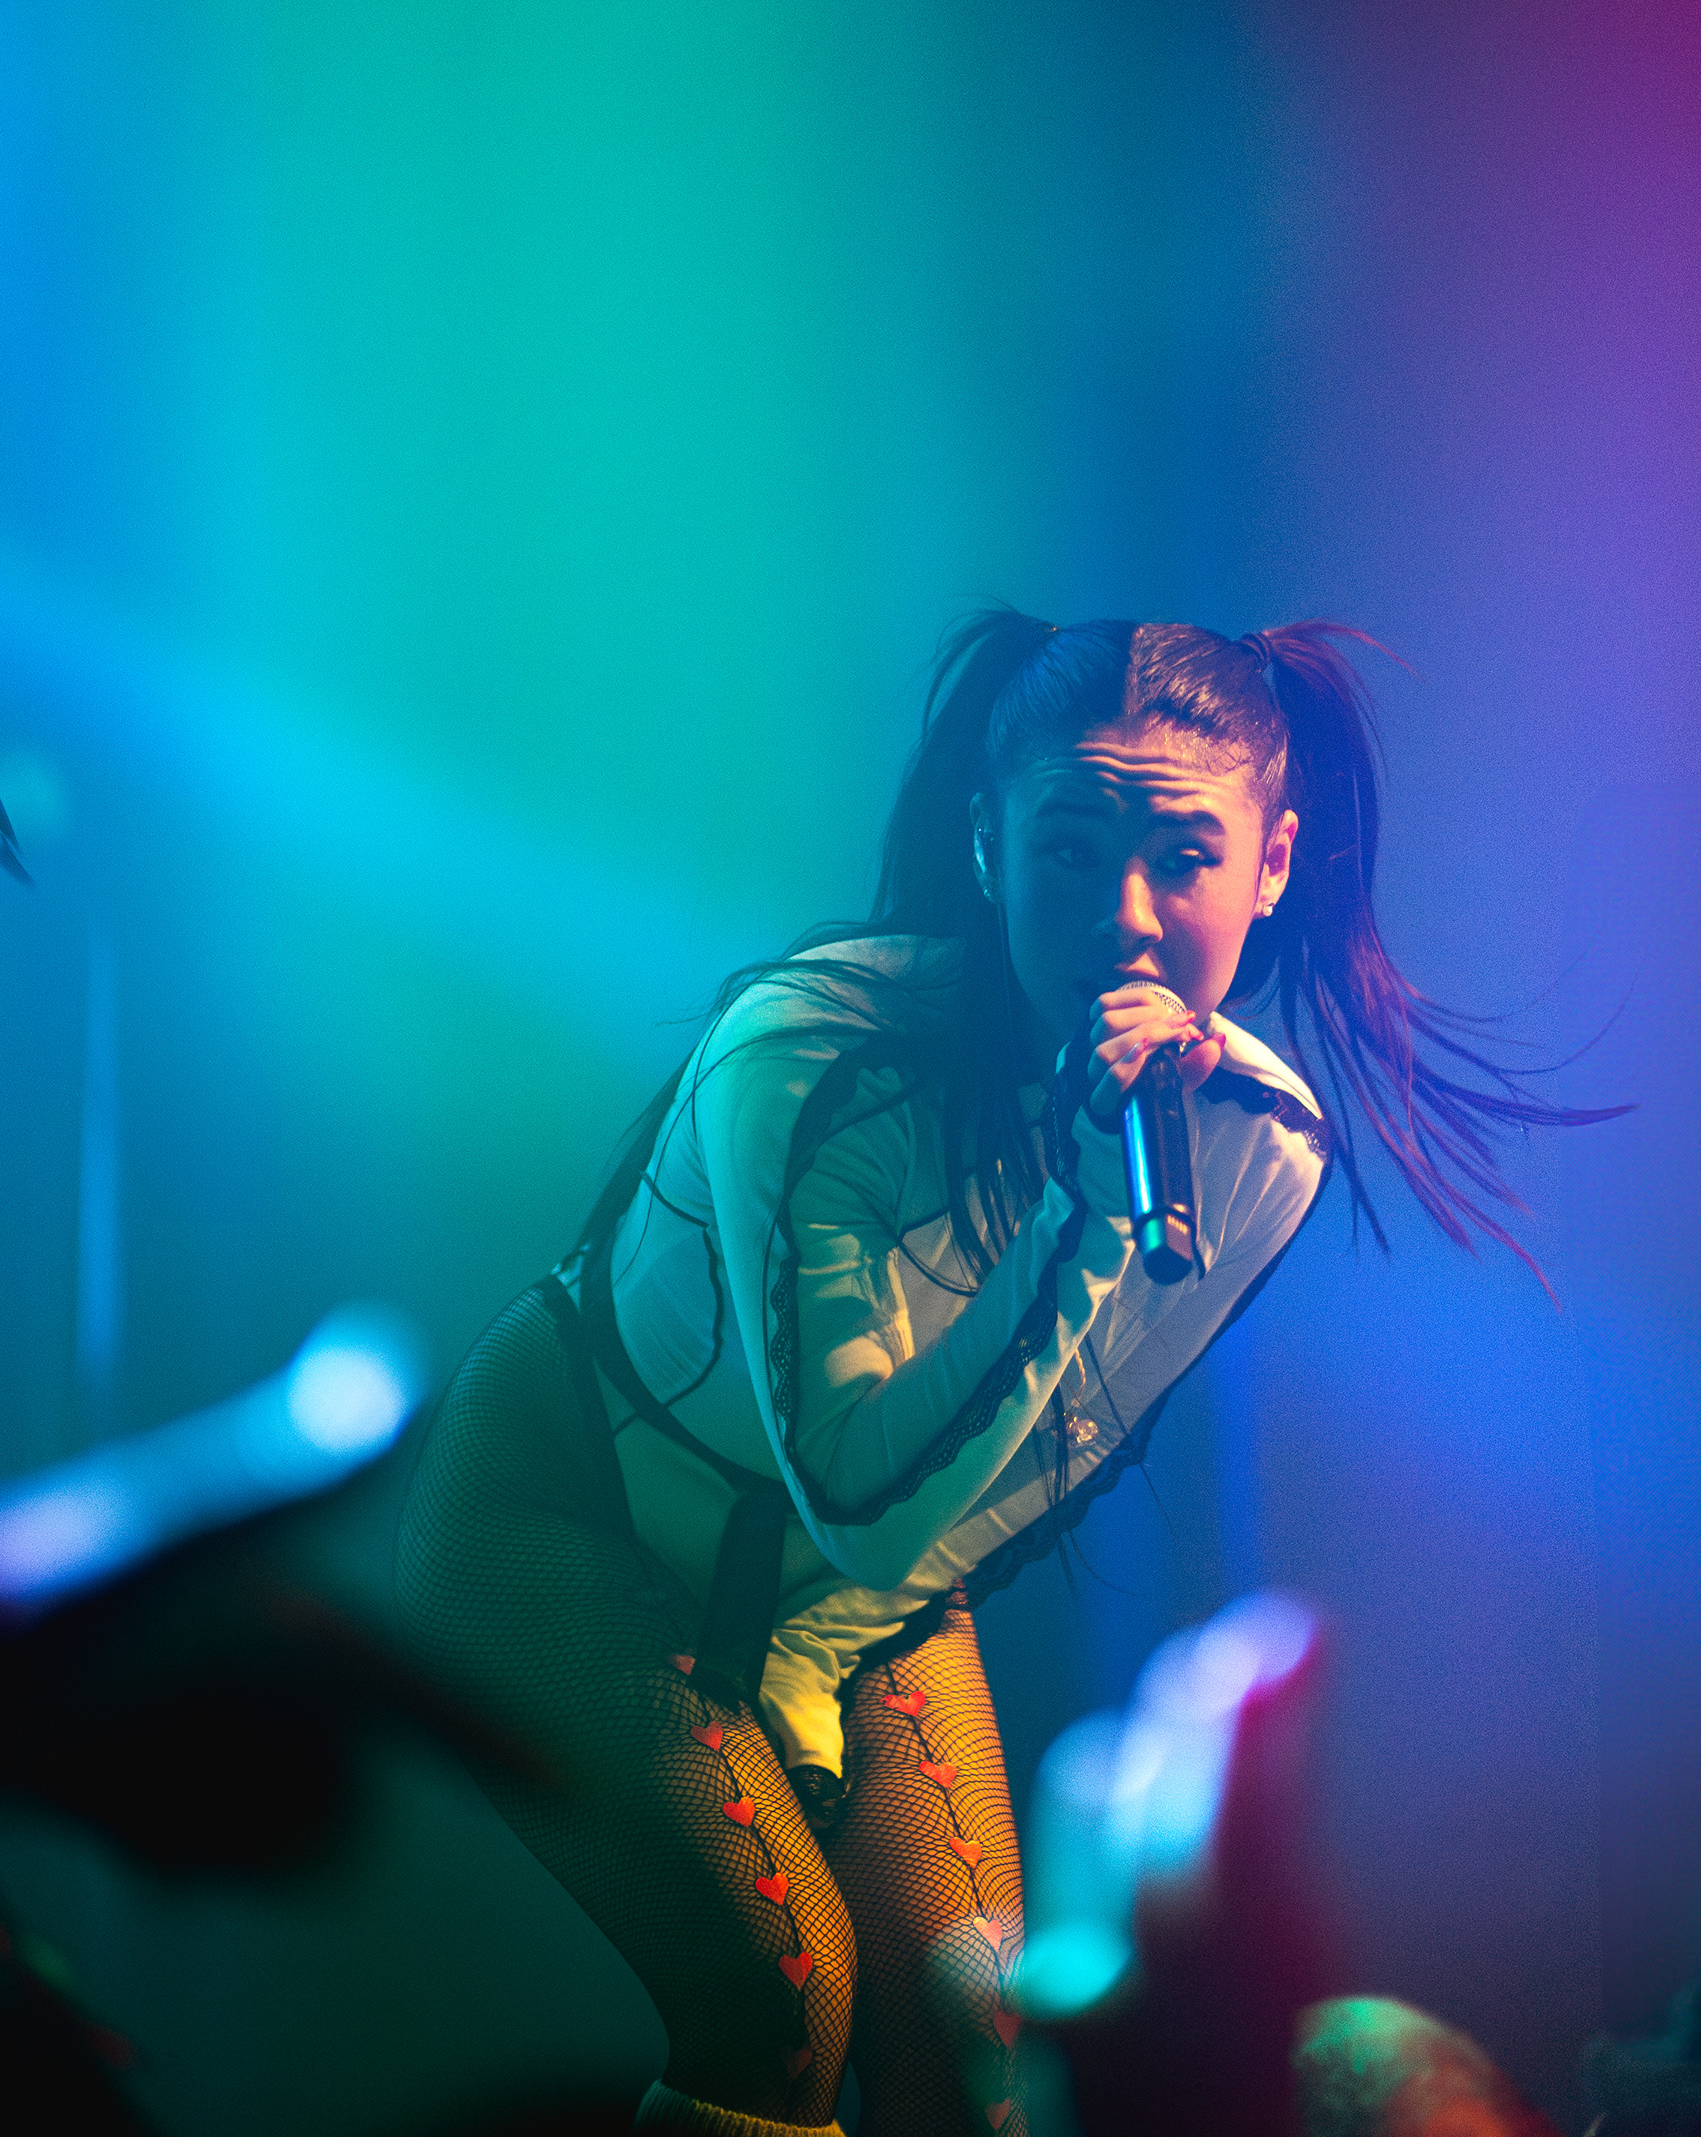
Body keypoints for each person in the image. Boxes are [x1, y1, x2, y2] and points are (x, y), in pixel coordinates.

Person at [395, 614, 1608, 2137]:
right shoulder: (812, 1053)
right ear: (987, 846)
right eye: (1070, 851)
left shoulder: (1259, 1146)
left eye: (1186, 856)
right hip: (572, 1513)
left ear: (1274, 865)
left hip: (870, 1592)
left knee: (987, 2044)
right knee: (779, 1997)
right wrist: (1084, 1221)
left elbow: (1003, 1484)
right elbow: (863, 1497)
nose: (1126, 917)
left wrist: (827, 1668)